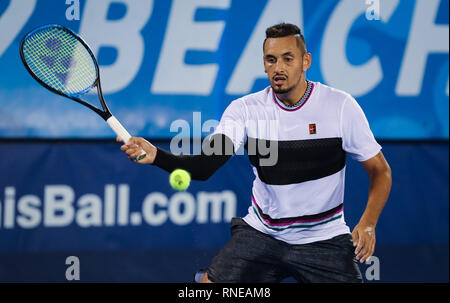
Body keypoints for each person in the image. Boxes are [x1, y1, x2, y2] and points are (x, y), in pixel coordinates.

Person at [119, 23, 392, 283]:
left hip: (324, 238)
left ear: (305, 61)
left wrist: (368, 223)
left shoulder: (340, 106)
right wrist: (158, 156)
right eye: (271, 60)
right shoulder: (245, 110)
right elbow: (204, 167)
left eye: (288, 58)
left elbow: (380, 171)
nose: (279, 68)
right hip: (262, 234)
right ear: (264, 64)